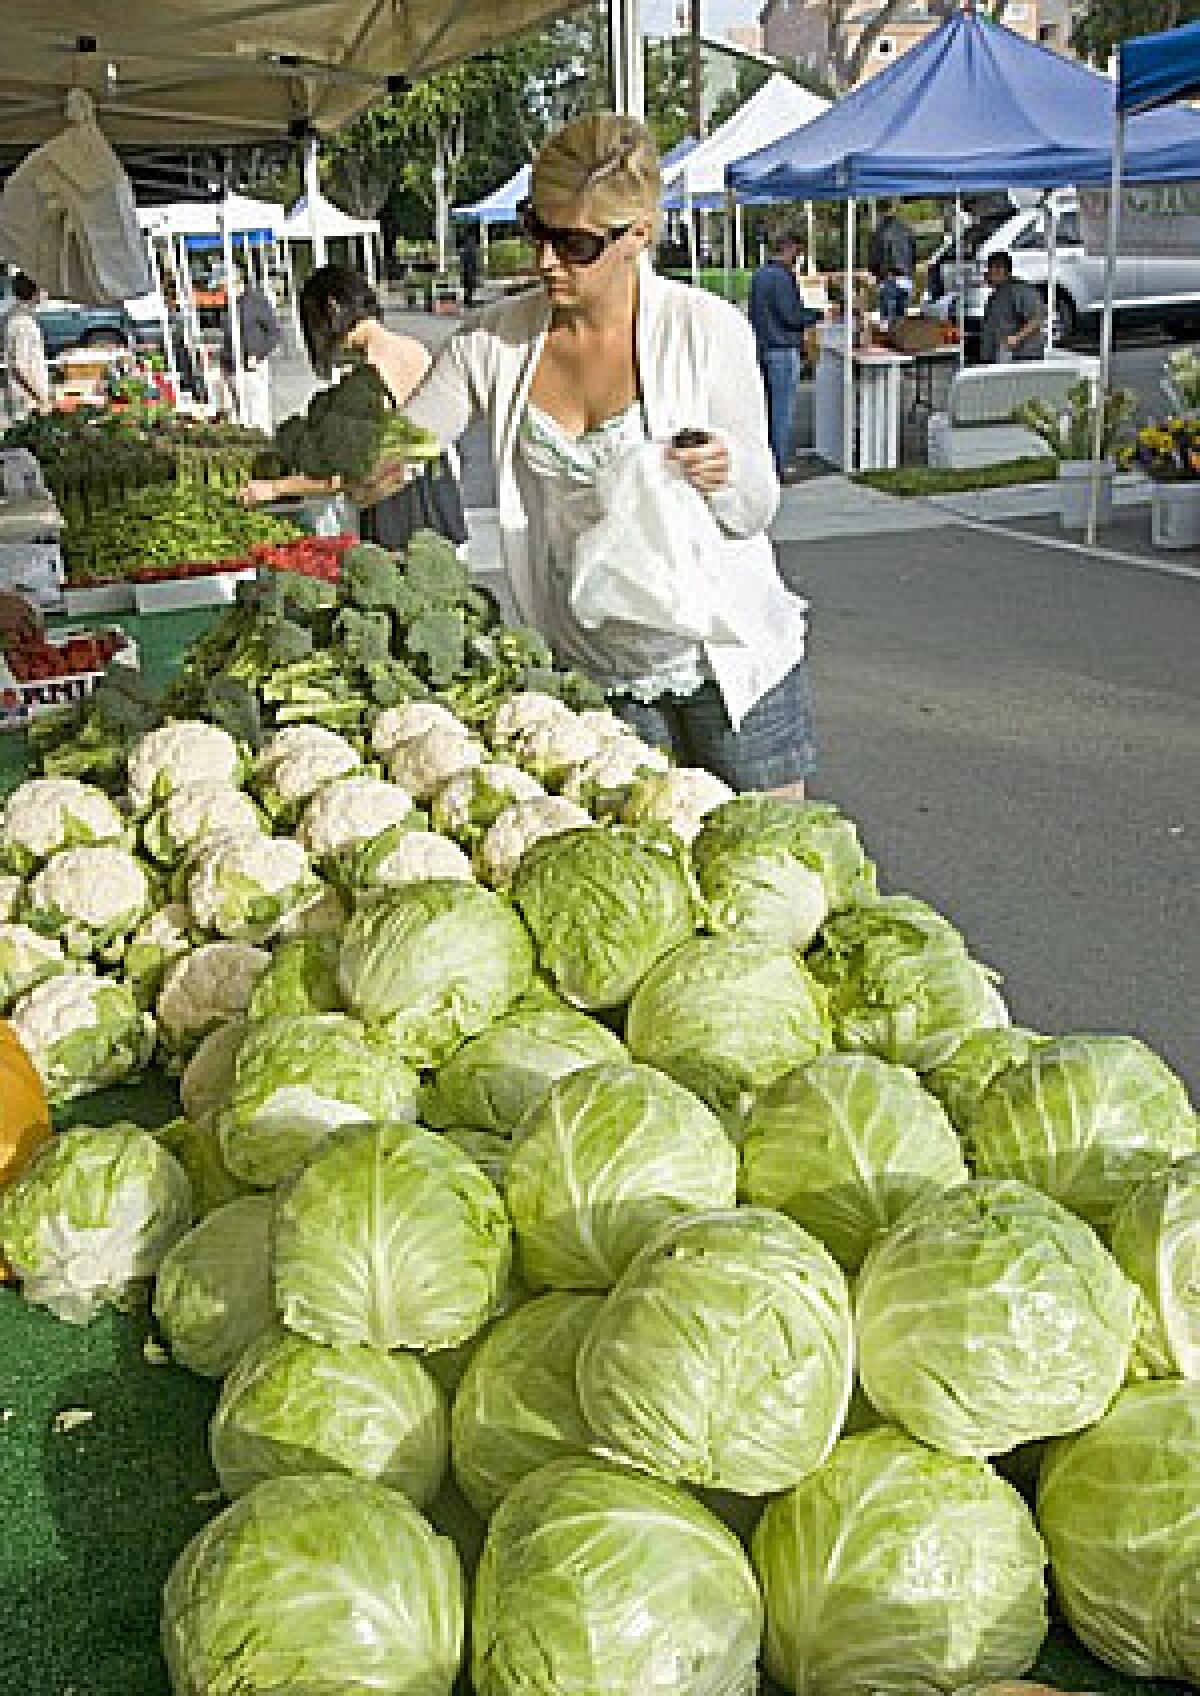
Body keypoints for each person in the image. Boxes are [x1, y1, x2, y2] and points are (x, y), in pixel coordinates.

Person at [391, 113, 815, 796]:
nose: (545, 260)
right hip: (594, 667)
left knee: (777, 862)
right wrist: (298, 475)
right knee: (640, 879)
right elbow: (400, 446)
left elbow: (755, 509)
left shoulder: (707, 331)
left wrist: (725, 469)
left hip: (725, 657)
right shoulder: (491, 342)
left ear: (638, 234)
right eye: (536, 229)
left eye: (575, 243)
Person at [239, 265, 467, 550]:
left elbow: (347, 477)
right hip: (442, 500)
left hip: (400, 516)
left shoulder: (369, 375)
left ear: (331, 310)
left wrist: (274, 488)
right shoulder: (416, 349)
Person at [748, 231, 822, 480]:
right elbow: (792, 316)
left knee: (766, 411)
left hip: (762, 347)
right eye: (798, 251)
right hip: (783, 349)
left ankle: (765, 463)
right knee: (781, 413)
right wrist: (818, 315)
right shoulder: (782, 277)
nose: (799, 257)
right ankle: (777, 466)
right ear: (789, 248)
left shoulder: (758, 275)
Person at [221, 271, 283, 434]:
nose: (224, 291)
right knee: (240, 411)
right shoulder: (229, 306)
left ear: (237, 284)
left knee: (258, 410)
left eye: (226, 287)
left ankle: (264, 442)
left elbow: (275, 333)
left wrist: (259, 355)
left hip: (253, 365)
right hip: (233, 366)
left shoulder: (256, 302)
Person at [980, 251, 1045, 363]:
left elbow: (1036, 319)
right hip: (1002, 355)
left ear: (1006, 270)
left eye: (997, 267)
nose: (991, 272)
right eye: (990, 267)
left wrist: (1017, 338)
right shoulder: (995, 295)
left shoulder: (1020, 290)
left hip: (1024, 356)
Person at [3, 273, 51, 423]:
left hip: (24, 399)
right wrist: (41, 398)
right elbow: (20, 366)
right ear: (35, 292)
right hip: (28, 403)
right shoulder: (23, 323)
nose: (45, 294)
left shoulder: (17, 316)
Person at [869, 201, 917, 327]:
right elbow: (914, 254)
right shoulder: (906, 229)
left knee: (887, 323)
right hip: (906, 278)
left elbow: (876, 256)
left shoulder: (880, 231)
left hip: (889, 278)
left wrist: (875, 274)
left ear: (880, 211)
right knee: (901, 323)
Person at [460, 226, 481, 309]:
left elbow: (463, 259)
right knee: (470, 286)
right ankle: (469, 301)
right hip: (470, 269)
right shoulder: (471, 245)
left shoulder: (465, 246)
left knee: (467, 286)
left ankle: (467, 300)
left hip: (466, 268)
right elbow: (473, 259)